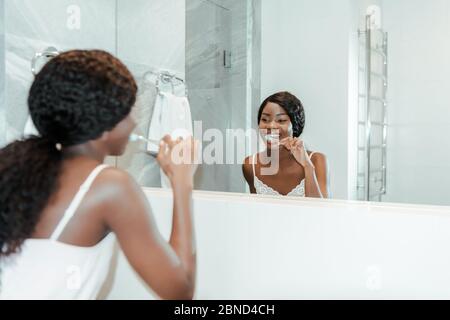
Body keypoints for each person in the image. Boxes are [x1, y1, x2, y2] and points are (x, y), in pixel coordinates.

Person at [0, 50, 197, 299]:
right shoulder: (109, 186)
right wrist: (182, 182)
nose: (133, 123)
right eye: (127, 111)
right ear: (106, 123)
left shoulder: (14, 169)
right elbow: (179, 290)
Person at [243, 91, 329, 198]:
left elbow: (321, 211)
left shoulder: (317, 160)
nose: (271, 126)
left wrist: (308, 167)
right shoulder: (250, 165)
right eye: (265, 119)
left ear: (295, 125)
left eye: (281, 120)